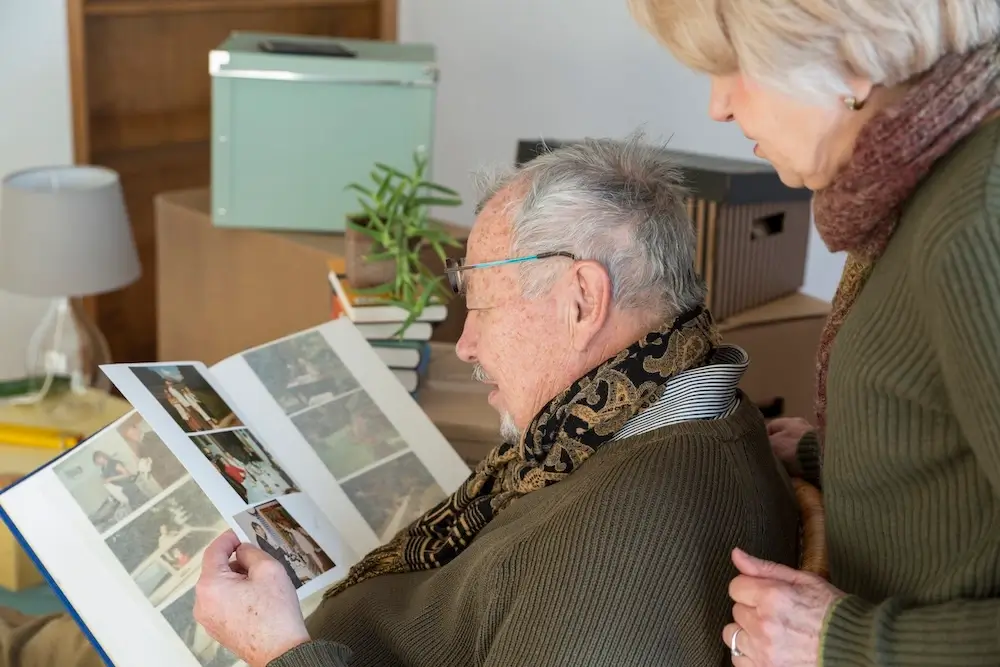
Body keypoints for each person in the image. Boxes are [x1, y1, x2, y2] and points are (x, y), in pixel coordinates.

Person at [190, 135, 800, 667]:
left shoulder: (618, 551)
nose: (466, 343)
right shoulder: (658, 411)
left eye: (480, 299)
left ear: (581, 300)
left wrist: (278, 651)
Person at [627, 0, 1000, 664]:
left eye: (735, 65)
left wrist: (840, 640)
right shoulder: (924, 183)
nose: (718, 105)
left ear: (851, 61)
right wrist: (848, 454)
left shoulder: (976, 217)